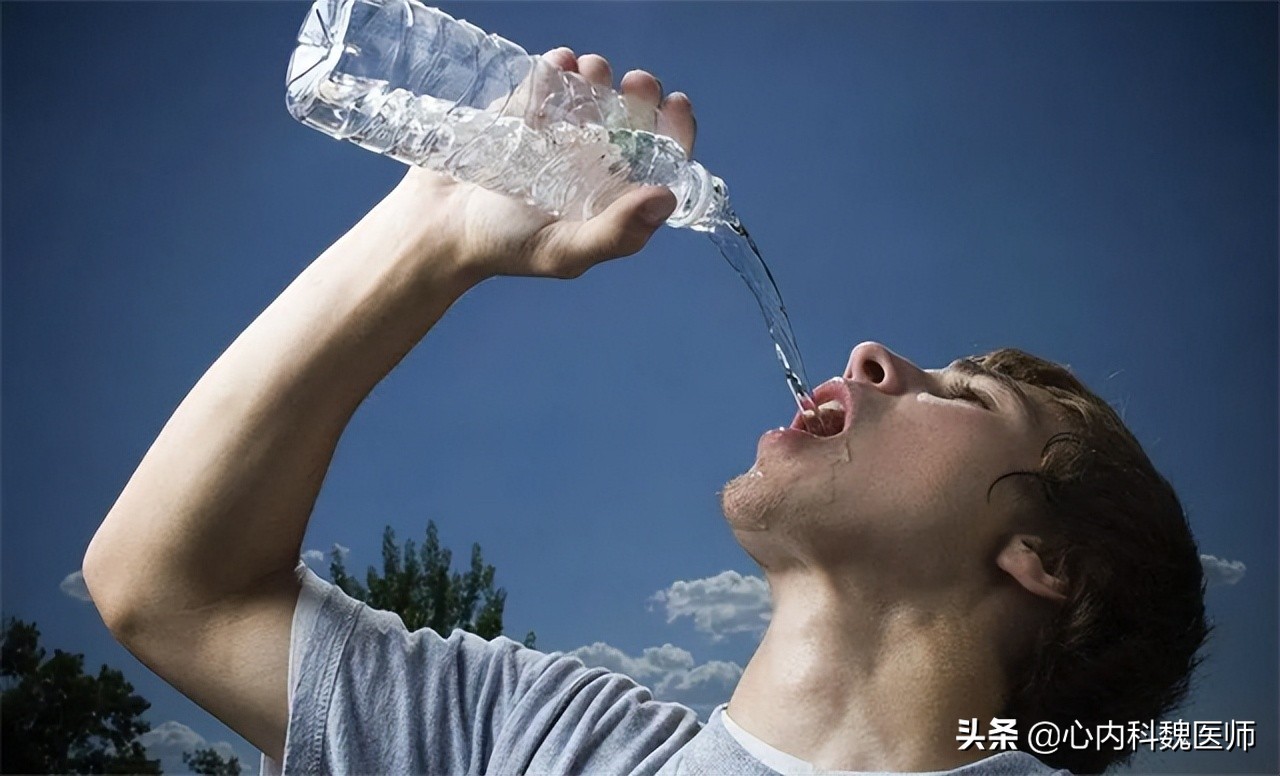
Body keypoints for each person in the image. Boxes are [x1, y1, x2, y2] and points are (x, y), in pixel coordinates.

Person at [83, 48, 1208, 776]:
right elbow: (168, 589)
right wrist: (430, 235)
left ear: (1045, 560)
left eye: (963, 394)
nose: (874, 355)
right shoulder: (534, 740)